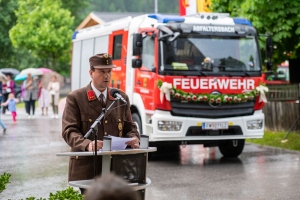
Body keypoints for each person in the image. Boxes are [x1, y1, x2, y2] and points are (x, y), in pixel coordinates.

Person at [62, 53, 140, 194]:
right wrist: (87, 144)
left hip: (116, 166)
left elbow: (130, 126)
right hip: (88, 167)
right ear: (91, 73)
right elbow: (69, 130)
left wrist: (134, 138)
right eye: (101, 71)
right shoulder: (76, 98)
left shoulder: (121, 97)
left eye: (109, 71)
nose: (107, 76)